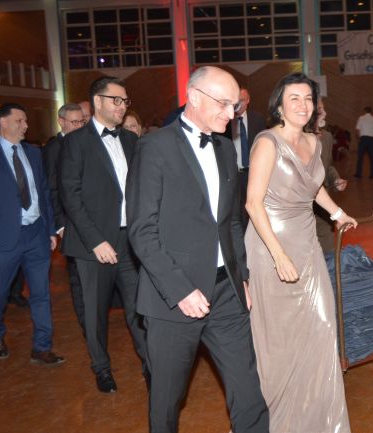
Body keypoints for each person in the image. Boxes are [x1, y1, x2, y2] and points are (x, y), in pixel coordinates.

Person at [127, 66, 269, 433]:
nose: (230, 113)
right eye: (223, 104)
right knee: (166, 400)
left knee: (249, 392)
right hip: (173, 298)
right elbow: (142, 231)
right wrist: (180, 290)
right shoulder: (154, 147)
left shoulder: (224, 148)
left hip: (226, 292)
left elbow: (231, 222)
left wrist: (242, 277)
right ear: (193, 96)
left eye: (235, 106)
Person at [245, 72, 356, 432]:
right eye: (294, 98)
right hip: (270, 244)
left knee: (322, 325)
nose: (303, 105)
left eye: (308, 98)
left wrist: (337, 213)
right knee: (280, 338)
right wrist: (278, 256)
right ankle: (278, 418)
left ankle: (321, 420)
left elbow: (313, 186)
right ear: (279, 104)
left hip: (306, 241)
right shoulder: (267, 143)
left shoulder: (314, 141)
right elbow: (252, 204)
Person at [59, 77, 146, 393]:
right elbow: (70, 196)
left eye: (125, 101)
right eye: (116, 100)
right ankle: (101, 368)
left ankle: (150, 363)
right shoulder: (75, 142)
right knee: (95, 312)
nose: (122, 106)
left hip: (129, 241)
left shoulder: (131, 140)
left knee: (139, 307)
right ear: (97, 101)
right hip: (93, 244)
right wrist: (96, 240)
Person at [0, 102, 64, 365]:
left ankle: (42, 346)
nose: (25, 126)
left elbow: (43, 192)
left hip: (36, 234)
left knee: (41, 293)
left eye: (25, 121)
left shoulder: (33, 153)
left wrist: (50, 229)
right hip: (5, 238)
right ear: (3, 122)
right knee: (0, 293)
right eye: (19, 121)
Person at [42, 103, 87, 333]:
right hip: (68, 224)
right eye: (75, 122)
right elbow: (52, 189)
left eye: (82, 121)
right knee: (77, 277)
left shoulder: (84, 143)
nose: (79, 126)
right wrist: (60, 225)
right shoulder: (54, 149)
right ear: (61, 122)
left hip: (87, 220)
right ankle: (86, 324)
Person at [224, 86, 266, 229]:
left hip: (253, 172)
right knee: (236, 210)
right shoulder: (226, 120)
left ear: (248, 100)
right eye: (236, 101)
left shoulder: (257, 119)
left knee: (255, 207)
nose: (238, 104)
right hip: (234, 173)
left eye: (242, 100)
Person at [316, 98, 348, 253]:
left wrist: (336, 179)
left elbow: (328, 166)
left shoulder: (327, 137)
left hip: (324, 207)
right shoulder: (295, 139)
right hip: (300, 209)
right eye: (320, 110)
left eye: (324, 109)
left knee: (328, 250)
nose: (325, 113)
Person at [354, 106, 373, 179]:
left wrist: (358, 138)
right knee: (372, 158)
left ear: (364, 111)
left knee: (360, 157)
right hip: (371, 139)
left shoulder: (361, 118)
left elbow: (357, 129)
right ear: (371, 111)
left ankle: (358, 174)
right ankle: (372, 174)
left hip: (363, 139)